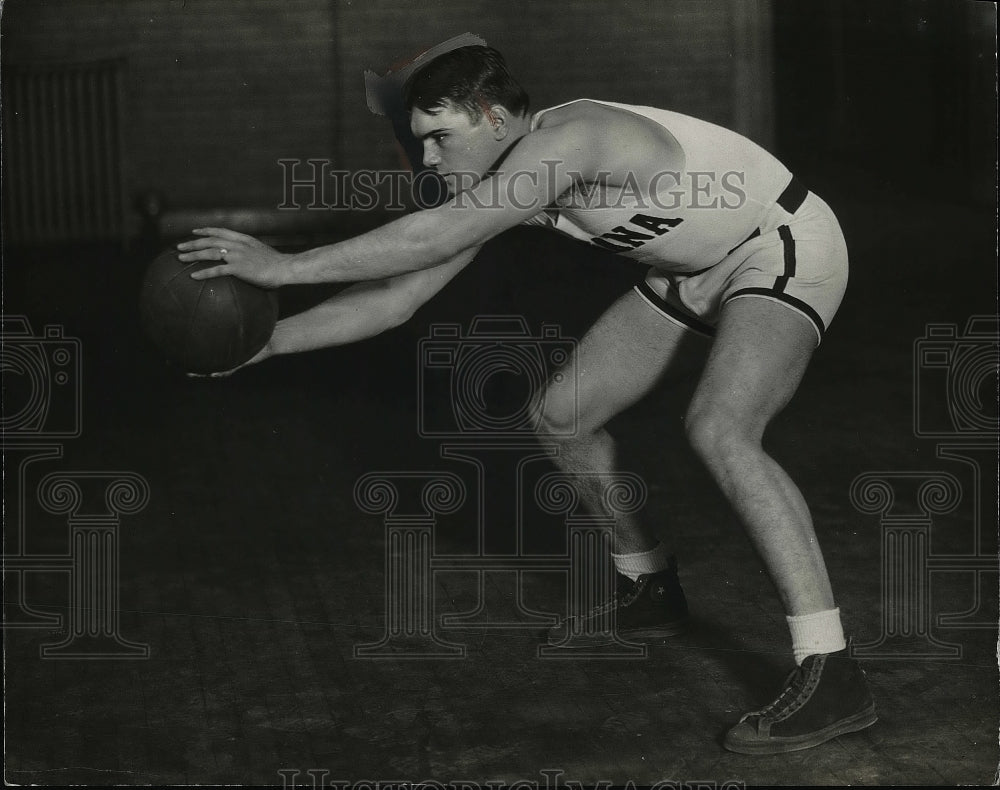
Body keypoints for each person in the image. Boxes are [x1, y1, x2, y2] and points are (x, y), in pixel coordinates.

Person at [176, 45, 876, 754]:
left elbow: (435, 235)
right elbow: (399, 294)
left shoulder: (572, 140)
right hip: (688, 269)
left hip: (778, 242)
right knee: (561, 416)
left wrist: (283, 266)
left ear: (495, 116)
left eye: (440, 136)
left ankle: (831, 668)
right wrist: (270, 341)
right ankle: (649, 586)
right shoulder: (503, 176)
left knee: (723, 427)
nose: (428, 159)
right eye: (421, 141)